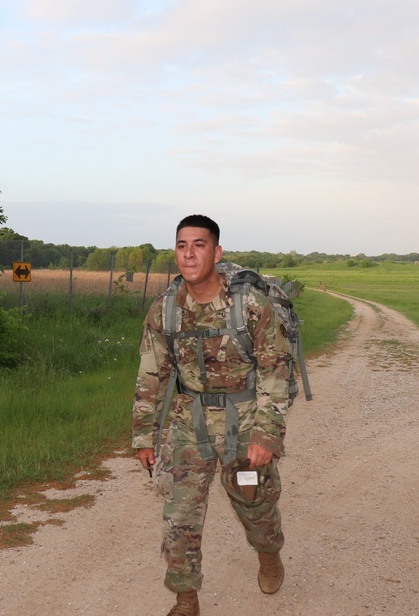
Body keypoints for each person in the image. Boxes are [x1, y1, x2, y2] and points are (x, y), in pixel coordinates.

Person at [133, 215, 293, 616]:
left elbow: (274, 370)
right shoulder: (166, 308)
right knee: (179, 516)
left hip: (244, 422)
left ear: (216, 252)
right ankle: (186, 599)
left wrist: (266, 436)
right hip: (189, 422)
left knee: (253, 503)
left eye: (199, 244)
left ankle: (269, 554)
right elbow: (152, 374)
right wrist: (144, 436)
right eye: (182, 245)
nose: (189, 253)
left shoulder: (249, 306)